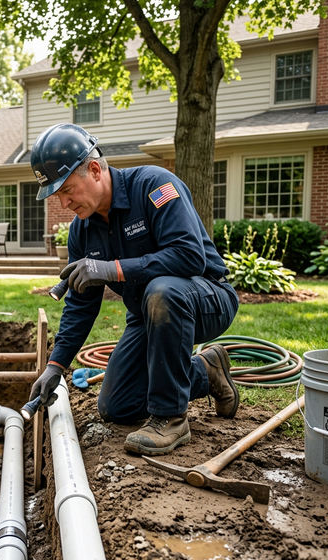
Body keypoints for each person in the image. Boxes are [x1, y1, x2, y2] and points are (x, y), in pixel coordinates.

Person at [29, 123, 240, 456]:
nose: (64, 202)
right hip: (148, 314)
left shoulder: (155, 186)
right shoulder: (82, 232)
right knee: (117, 406)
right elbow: (81, 306)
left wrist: (111, 269)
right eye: (57, 195)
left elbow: (189, 256)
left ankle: (171, 419)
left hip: (207, 298)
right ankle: (206, 371)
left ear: (95, 170)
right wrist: (55, 366)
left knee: (163, 291)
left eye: (67, 189)